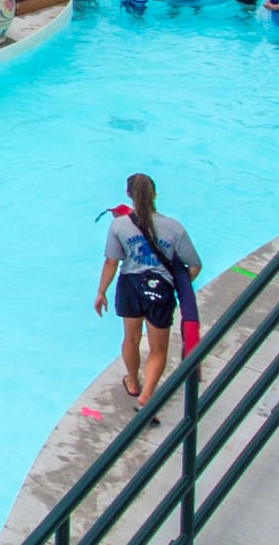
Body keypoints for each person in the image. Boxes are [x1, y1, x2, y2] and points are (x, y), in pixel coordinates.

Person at [96, 173, 202, 404]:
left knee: (131, 339)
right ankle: (147, 394)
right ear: (155, 194)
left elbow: (112, 262)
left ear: (128, 195)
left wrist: (101, 292)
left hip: (130, 287)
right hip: (160, 290)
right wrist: (177, 286)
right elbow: (194, 265)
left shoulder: (119, 225)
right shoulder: (174, 228)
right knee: (158, 349)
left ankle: (133, 382)